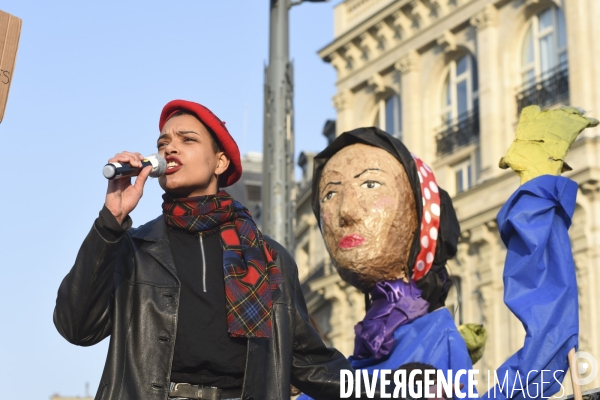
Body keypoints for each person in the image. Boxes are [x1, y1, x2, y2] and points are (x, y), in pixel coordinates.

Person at [53, 99, 360, 400]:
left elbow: (309, 362)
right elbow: (76, 328)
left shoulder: (269, 258)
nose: (169, 149)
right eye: (163, 143)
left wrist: (392, 387)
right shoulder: (132, 249)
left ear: (220, 161)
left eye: (187, 139)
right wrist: (110, 222)